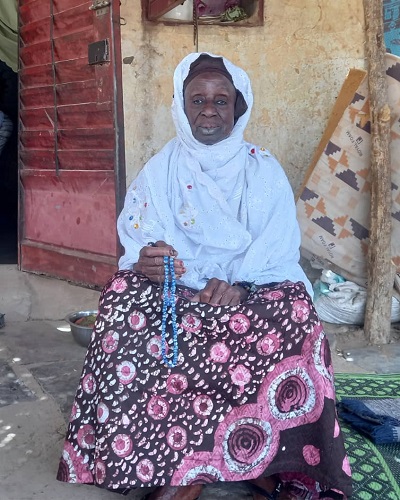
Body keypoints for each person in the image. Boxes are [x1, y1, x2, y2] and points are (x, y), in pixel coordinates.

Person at [57, 53, 352, 500]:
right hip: (179, 290)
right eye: (198, 100)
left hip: (247, 290)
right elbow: (140, 238)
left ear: (238, 107)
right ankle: (153, 456)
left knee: (296, 312)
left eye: (221, 100)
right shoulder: (161, 170)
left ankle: (253, 456)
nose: (209, 110)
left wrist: (241, 287)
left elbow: (278, 249)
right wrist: (149, 261)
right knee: (119, 296)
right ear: (181, 106)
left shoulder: (263, 170)